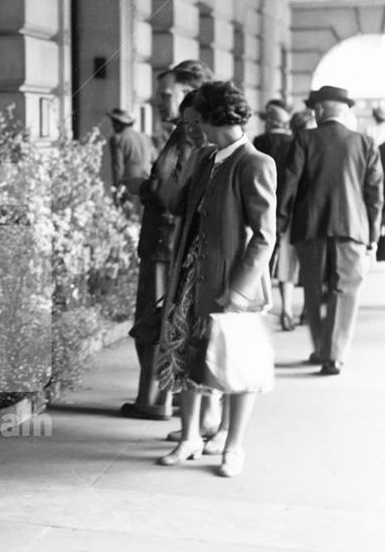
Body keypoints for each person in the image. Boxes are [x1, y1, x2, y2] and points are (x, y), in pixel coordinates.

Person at [155, 81, 277, 477]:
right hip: (192, 275)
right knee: (187, 352)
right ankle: (189, 437)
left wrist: (239, 291)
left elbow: (265, 235)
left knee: (240, 368)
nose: (193, 127)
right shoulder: (205, 157)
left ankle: (233, 447)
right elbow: (175, 202)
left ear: (213, 118)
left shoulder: (255, 162)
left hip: (234, 284)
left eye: (197, 120)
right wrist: (173, 157)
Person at [119, 59, 213, 421]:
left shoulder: (187, 136)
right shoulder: (184, 133)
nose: (158, 100)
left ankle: (155, 399)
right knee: (160, 319)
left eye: (165, 94)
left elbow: (176, 193)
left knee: (156, 319)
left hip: (166, 243)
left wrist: (141, 186)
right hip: (166, 241)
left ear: (188, 92)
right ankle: (156, 396)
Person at [278, 85, 384, 375]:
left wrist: (280, 225)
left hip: (310, 227)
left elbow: (289, 185)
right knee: (345, 290)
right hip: (352, 228)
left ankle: (322, 348)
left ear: (320, 110)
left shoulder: (303, 140)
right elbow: (375, 195)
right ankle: (335, 355)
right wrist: (373, 236)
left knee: (314, 290)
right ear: (345, 110)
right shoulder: (365, 143)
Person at [255, 101, 301, 331]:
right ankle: (287, 309)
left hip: (262, 205)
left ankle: (261, 304)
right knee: (286, 260)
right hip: (289, 206)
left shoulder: (260, 143)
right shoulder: (294, 143)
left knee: (260, 254)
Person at [106, 108, 154, 205]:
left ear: (119, 124)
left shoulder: (117, 138)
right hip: (148, 182)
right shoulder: (145, 137)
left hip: (129, 185)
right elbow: (154, 159)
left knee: (129, 217)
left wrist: (116, 192)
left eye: (114, 122)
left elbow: (117, 167)